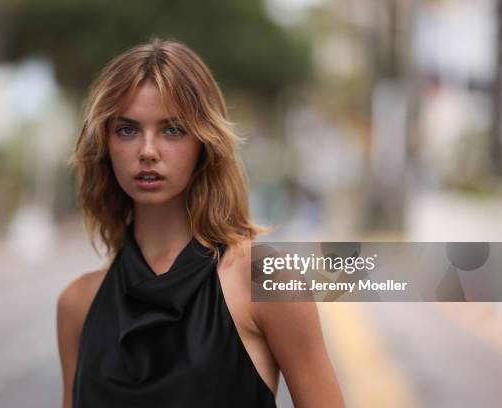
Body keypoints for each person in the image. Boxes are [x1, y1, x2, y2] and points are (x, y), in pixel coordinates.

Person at [57, 37, 345, 408]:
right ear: (105, 143)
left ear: (204, 143)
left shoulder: (267, 280)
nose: (147, 151)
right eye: (127, 129)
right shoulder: (77, 304)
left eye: (172, 129)